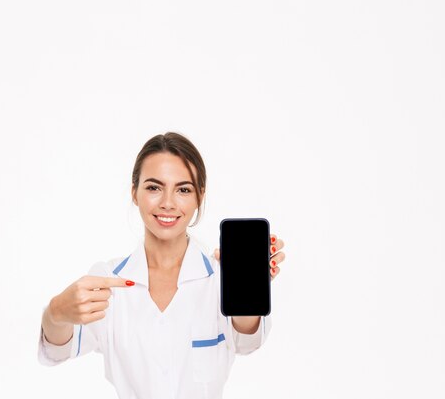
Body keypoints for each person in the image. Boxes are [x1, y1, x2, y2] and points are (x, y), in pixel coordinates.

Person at [38, 132, 286, 399]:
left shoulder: (220, 277)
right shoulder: (108, 281)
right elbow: (56, 350)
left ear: (199, 196)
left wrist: (248, 287)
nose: (168, 203)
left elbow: (247, 341)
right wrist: (56, 312)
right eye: (154, 187)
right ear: (134, 192)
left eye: (183, 189)